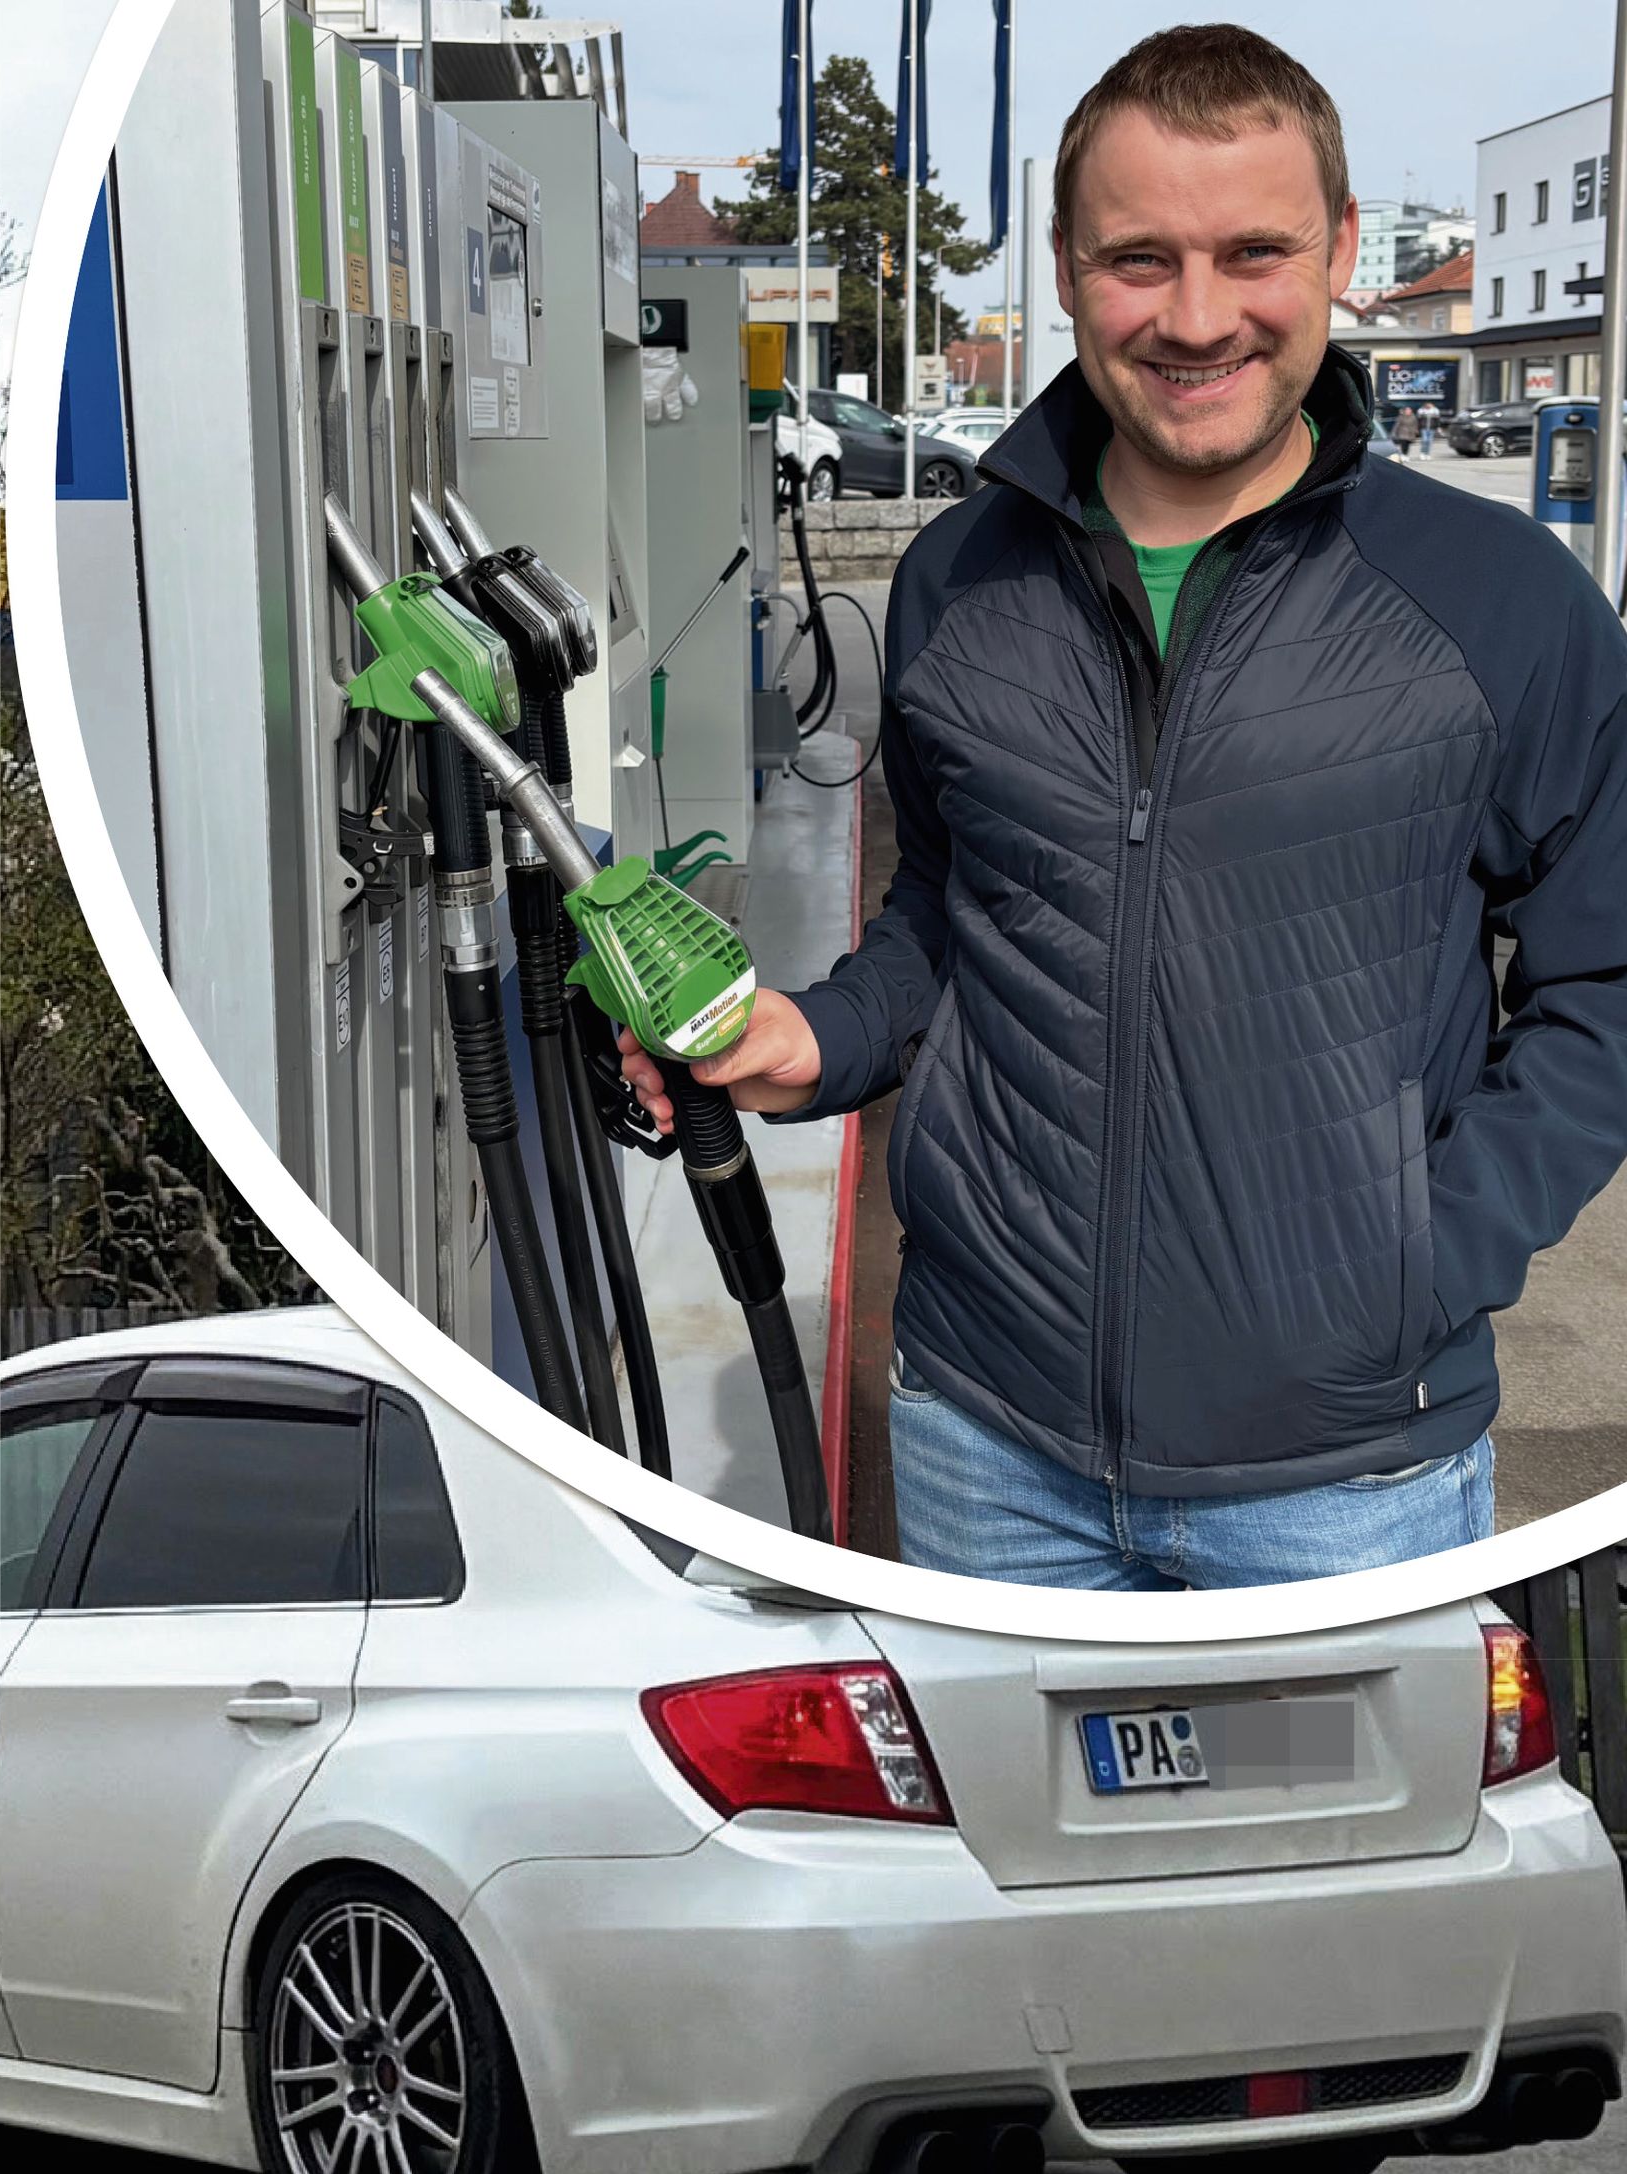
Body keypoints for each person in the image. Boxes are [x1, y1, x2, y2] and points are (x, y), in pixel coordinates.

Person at [621, 27, 1627, 1590]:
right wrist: (809, 1039)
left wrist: (1426, 1251)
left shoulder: (1501, 604)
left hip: (1345, 1468)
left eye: (1255, 252)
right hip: (983, 1437)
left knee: (1335, 1855)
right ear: (1072, 262)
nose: (1198, 315)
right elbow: (951, 915)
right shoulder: (962, 579)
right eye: (1140, 258)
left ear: (1344, 251)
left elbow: (1605, 989)